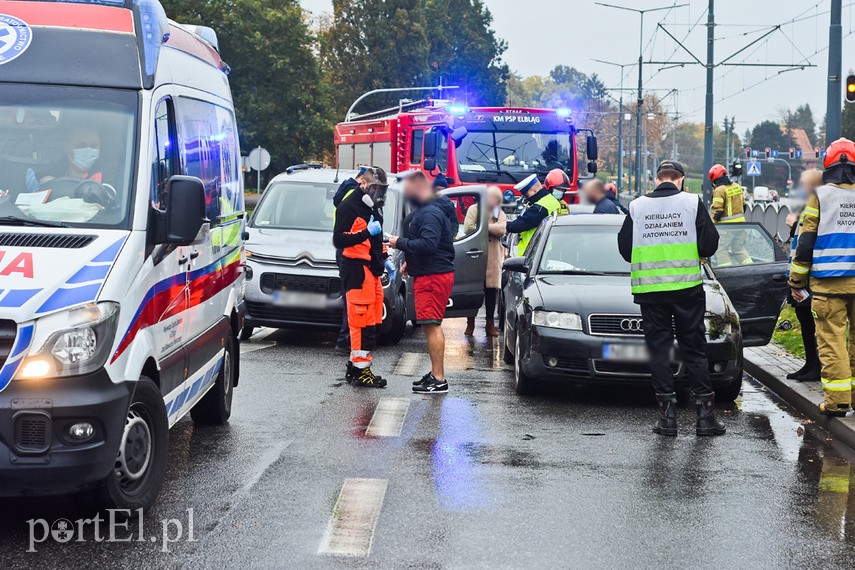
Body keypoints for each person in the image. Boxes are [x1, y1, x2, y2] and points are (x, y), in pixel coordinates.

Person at [618, 160, 724, 436]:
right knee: (694, 349)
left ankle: (667, 420)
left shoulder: (637, 206)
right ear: (681, 180)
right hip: (686, 289)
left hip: (651, 292)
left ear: (657, 180)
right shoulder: (692, 202)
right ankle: (705, 418)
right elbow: (710, 243)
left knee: (659, 351)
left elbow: (626, 249)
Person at [789, 138, 855, 417]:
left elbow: (805, 243)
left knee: (832, 341)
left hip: (828, 285)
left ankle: (839, 402)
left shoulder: (821, 196)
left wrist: (796, 281)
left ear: (828, 163)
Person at [388, 170, 457, 393]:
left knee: (432, 325)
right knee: (430, 325)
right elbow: (429, 244)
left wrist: (399, 243)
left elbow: (428, 244)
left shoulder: (429, 213)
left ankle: (439, 378)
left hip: (432, 276)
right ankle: (436, 374)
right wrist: (411, 261)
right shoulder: (429, 210)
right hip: (429, 272)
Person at [332, 166, 393, 388]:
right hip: (356, 270)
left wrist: (384, 257)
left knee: (372, 320)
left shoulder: (374, 208)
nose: (380, 193)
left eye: (382, 189)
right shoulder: (349, 206)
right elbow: (339, 240)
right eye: (377, 188)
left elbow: (375, 241)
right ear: (364, 184)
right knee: (359, 321)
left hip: (371, 269)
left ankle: (356, 365)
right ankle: (360, 370)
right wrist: (367, 233)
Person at [785, 169, 823, 382]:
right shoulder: (804, 205)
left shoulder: (816, 205)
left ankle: (815, 366)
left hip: (808, 276)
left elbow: (809, 242)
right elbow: (797, 240)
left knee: (810, 320)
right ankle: (810, 363)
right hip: (798, 273)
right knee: (803, 318)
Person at [332, 166, 369, 353]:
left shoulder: (344, 192)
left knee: (350, 297)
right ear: (362, 179)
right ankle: (346, 340)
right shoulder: (354, 196)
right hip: (353, 252)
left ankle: (347, 339)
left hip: (345, 251)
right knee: (353, 299)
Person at [462, 185, 507, 337]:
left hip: (493, 256)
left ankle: (490, 324)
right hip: (476, 253)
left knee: (491, 292)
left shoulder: (499, 212)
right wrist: (491, 227)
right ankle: (470, 322)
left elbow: (502, 230)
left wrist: (482, 227)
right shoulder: (474, 209)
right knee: (473, 291)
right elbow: (468, 228)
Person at [506, 173, 561, 256]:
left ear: (535, 190)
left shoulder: (541, 206)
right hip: (546, 249)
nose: (527, 198)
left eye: (527, 195)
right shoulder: (549, 200)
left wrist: (504, 225)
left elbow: (519, 225)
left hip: (537, 251)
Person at [708, 164, 749, 266]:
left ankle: (727, 273)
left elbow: (718, 212)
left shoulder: (719, 190)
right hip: (741, 225)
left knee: (721, 250)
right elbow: (744, 206)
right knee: (739, 249)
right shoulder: (737, 186)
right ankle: (750, 268)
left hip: (727, 227)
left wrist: (711, 225)